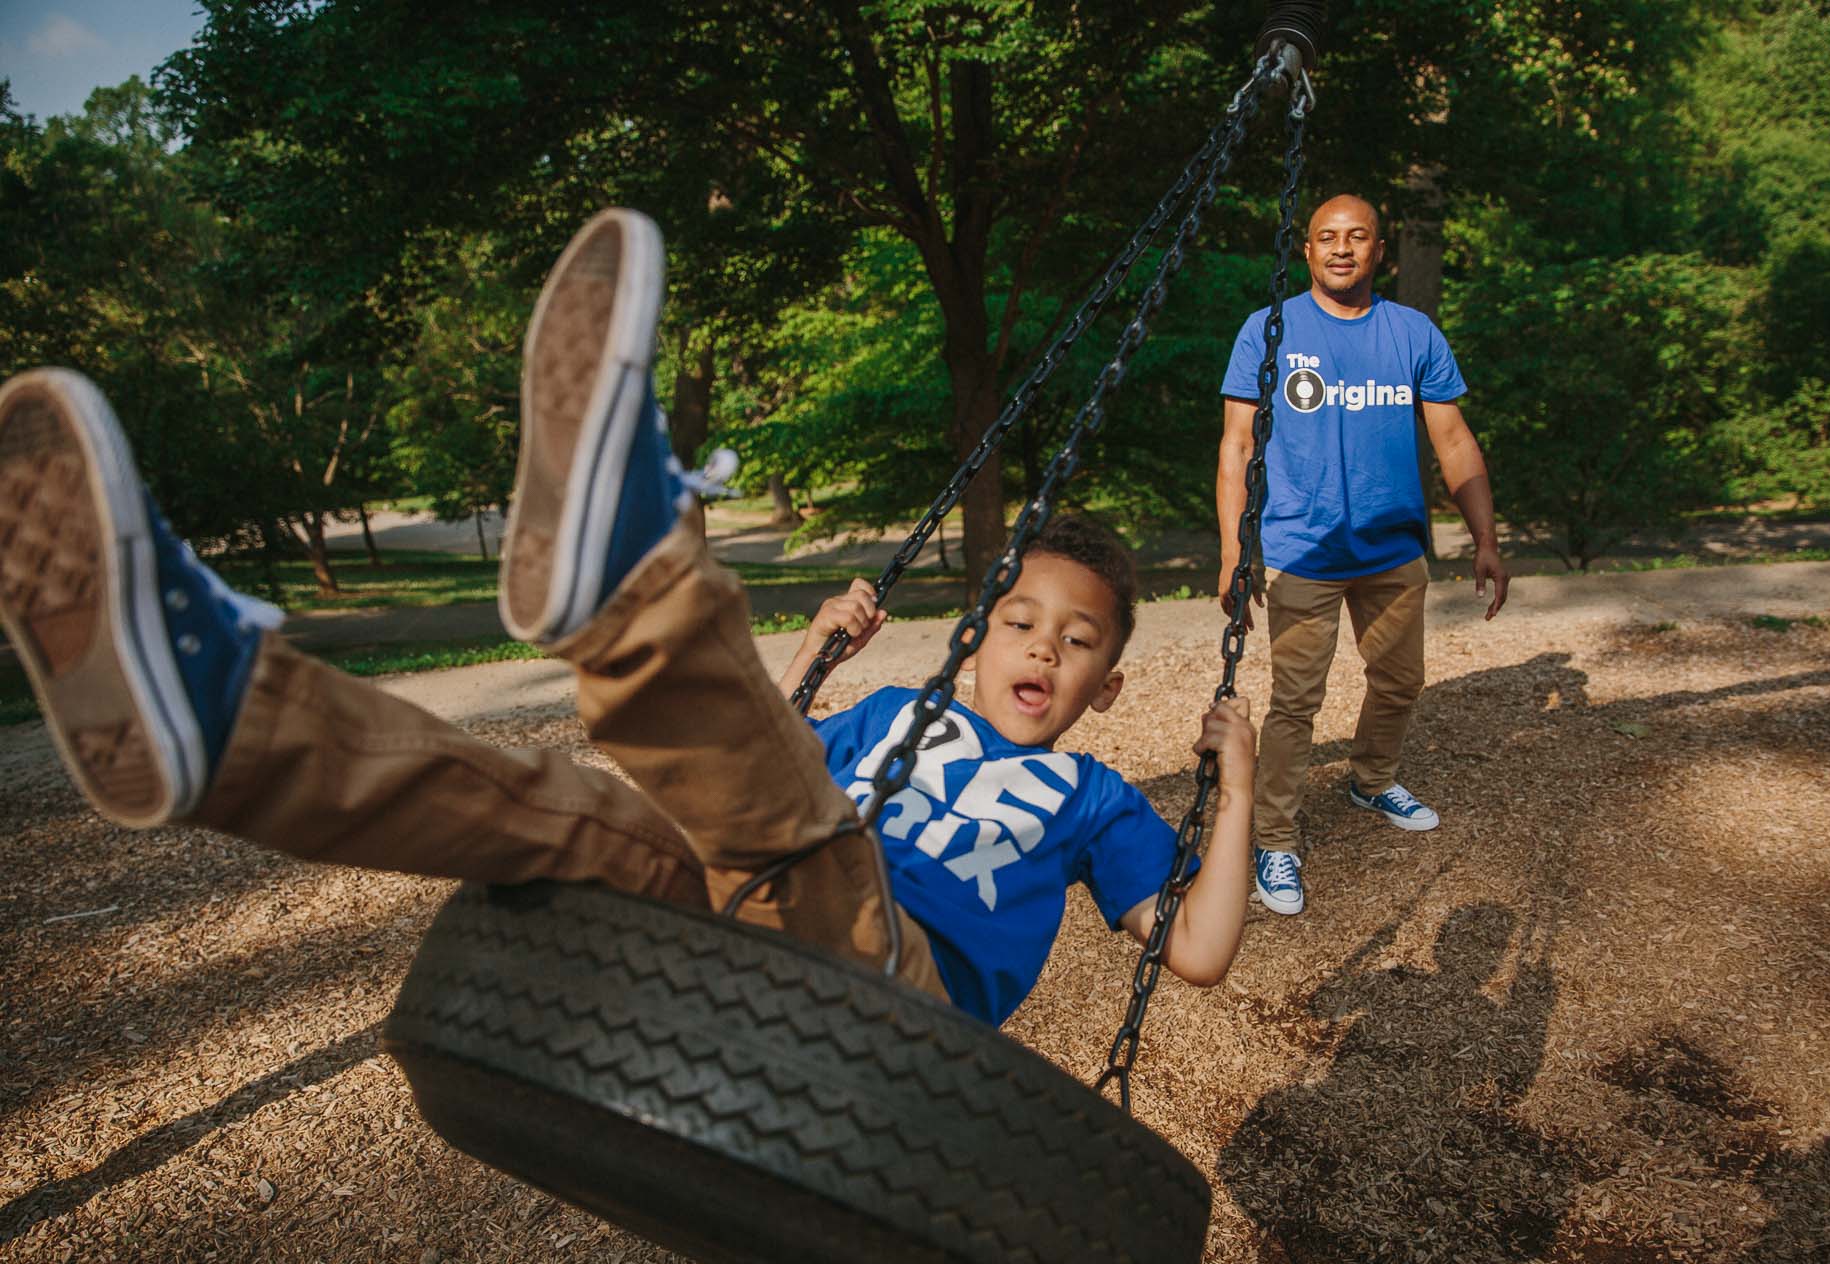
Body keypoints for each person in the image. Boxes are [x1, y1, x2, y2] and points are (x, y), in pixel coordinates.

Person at [0, 207, 1255, 1028]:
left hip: (895, 994)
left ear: (1104, 690)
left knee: (816, 852)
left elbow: (1191, 953)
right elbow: (738, 778)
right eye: (1018, 617)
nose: (1041, 643)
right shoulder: (887, 708)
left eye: (1077, 640)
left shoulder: (1092, 802)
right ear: (971, 635)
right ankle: (228, 727)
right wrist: (817, 655)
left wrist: (1235, 776)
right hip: (748, 926)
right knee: (562, 810)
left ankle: (627, 585)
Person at [1215, 193, 1508, 917]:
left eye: (1357, 237)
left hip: (1391, 550)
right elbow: (1237, 446)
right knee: (1295, 702)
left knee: (1402, 681)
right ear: (1307, 250)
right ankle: (1275, 840)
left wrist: (1487, 540)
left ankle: (1371, 779)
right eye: (1326, 237)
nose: (1341, 248)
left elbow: (1454, 442)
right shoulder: (1269, 330)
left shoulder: (1412, 333)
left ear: (1380, 249)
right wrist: (1232, 550)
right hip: (1300, 548)